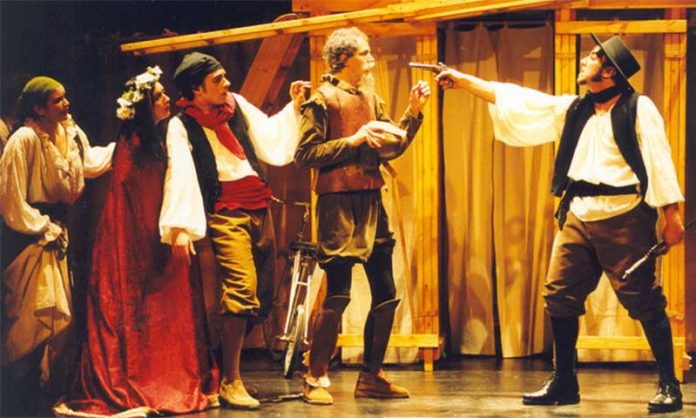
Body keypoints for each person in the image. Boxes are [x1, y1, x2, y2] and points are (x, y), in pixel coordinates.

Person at [436, 34, 685, 413]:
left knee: (643, 299)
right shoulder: (577, 108)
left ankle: (669, 384)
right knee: (559, 295)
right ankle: (564, 381)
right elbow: (519, 99)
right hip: (578, 216)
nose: (585, 60)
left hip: (623, 216)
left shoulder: (639, 107)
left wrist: (671, 215)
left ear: (609, 72)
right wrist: (463, 80)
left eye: (593, 57)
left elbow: (659, 158)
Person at [54, 66, 220, 417]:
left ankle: (165, 376)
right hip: (130, 239)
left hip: (154, 236)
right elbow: (107, 177)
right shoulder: (131, 142)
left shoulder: (164, 138)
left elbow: (170, 183)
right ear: (144, 105)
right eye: (158, 96)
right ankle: (137, 379)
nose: (166, 99)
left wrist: (176, 229)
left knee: (163, 306)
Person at [163, 52, 310, 410]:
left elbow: (269, 133)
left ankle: (223, 370)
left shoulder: (236, 105)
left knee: (261, 290)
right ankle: (231, 380)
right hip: (226, 213)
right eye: (217, 80)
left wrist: (293, 106)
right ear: (196, 90)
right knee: (241, 289)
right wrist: (179, 226)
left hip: (259, 206)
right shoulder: (182, 125)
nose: (226, 83)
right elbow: (179, 173)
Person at [295, 27, 430, 405]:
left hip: (372, 200)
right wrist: (352, 141)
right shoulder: (322, 99)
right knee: (338, 293)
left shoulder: (371, 98)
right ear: (343, 59)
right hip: (338, 204)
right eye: (364, 54)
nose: (370, 60)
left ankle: (371, 376)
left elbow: (392, 146)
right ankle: (314, 376)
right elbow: (305, 154)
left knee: (386, 293)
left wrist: (413, 113)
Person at [0, 76, 115, 415]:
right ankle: (20, 398)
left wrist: (125, 140)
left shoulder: (69, 133)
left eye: (65, 98)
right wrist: (41, 226)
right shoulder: (24, 139)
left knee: (58, 316)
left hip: (57, 231)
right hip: (30, 236)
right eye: (57, 100)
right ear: (39, 108)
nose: (66, 104)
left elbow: (89, 164)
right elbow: (10, 197)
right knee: (34, 316)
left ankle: (44, 393)